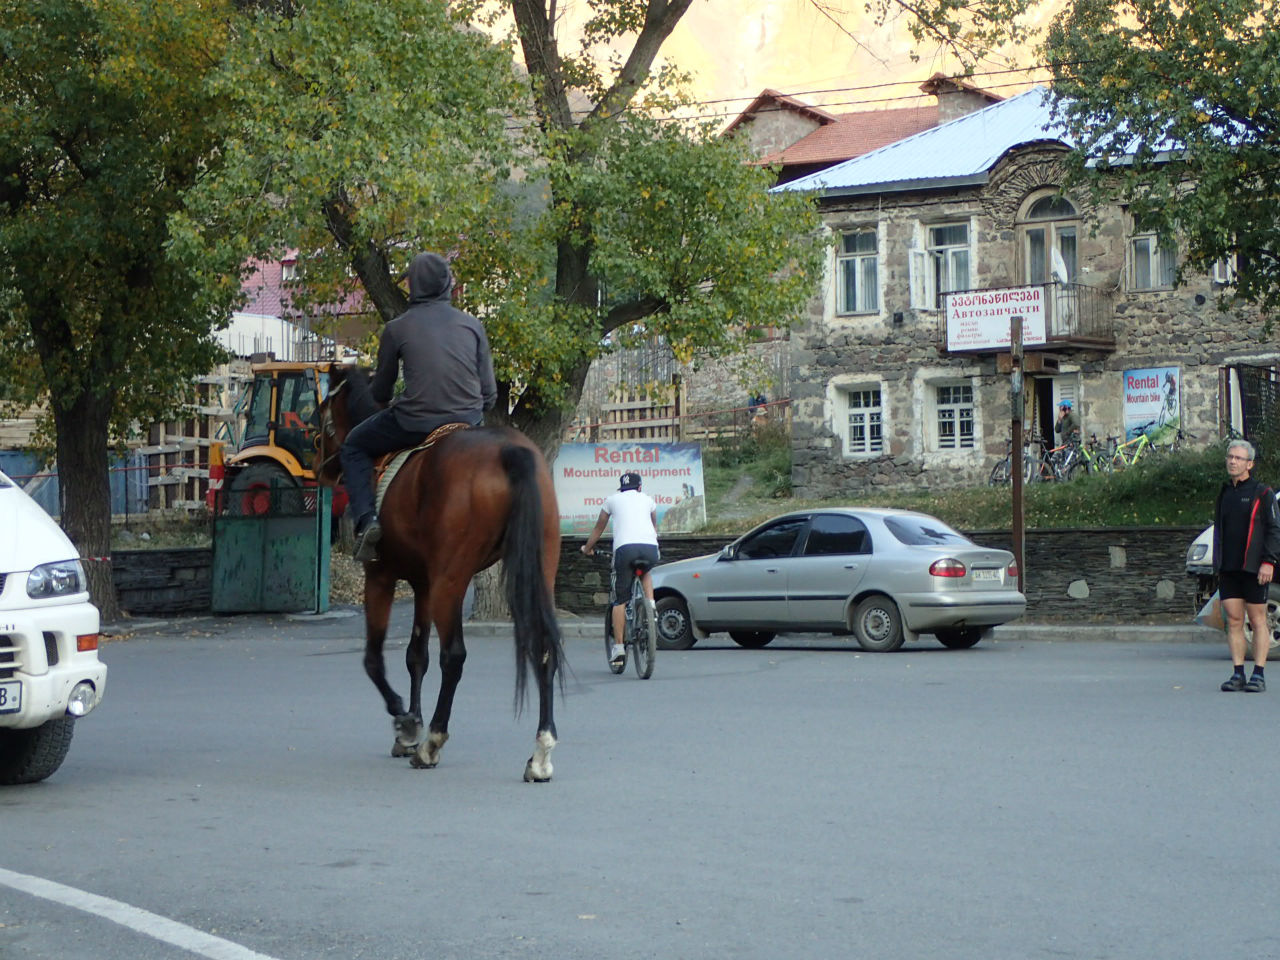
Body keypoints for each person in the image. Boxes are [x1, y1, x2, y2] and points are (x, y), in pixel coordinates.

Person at [340, 252, 497, 561]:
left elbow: (381, 393)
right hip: (469, 425)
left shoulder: (397, 328)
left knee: (352, 446)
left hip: (415, 423)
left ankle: (367, 522)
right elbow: (489, 394)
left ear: (413, 286)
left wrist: (383, 398)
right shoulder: (473, 325)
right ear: (447, 284)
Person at [1214, 439, 1280, 692]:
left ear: (1249, 464)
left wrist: (1268, 561)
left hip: (1254, 567)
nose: (1232, 461)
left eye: (1238, 458)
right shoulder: (1224, 492)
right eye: (1230, 457)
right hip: (1229, 568)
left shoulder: (1263, 493)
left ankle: (1259, 675)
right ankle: (1238, 673)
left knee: (1258, 619)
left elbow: (1275, 530)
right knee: (1233, 620)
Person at [580, 472, 659, 668]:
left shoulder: (611, 500)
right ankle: (651, 607)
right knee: (645, 572)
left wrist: (587, 548)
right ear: (639, 487)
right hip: (650, 548)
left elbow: (598, 528)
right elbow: (653, 525)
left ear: (621, 488)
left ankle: (618, 648)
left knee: (620, 599)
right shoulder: (648, 500)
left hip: (625, 550)